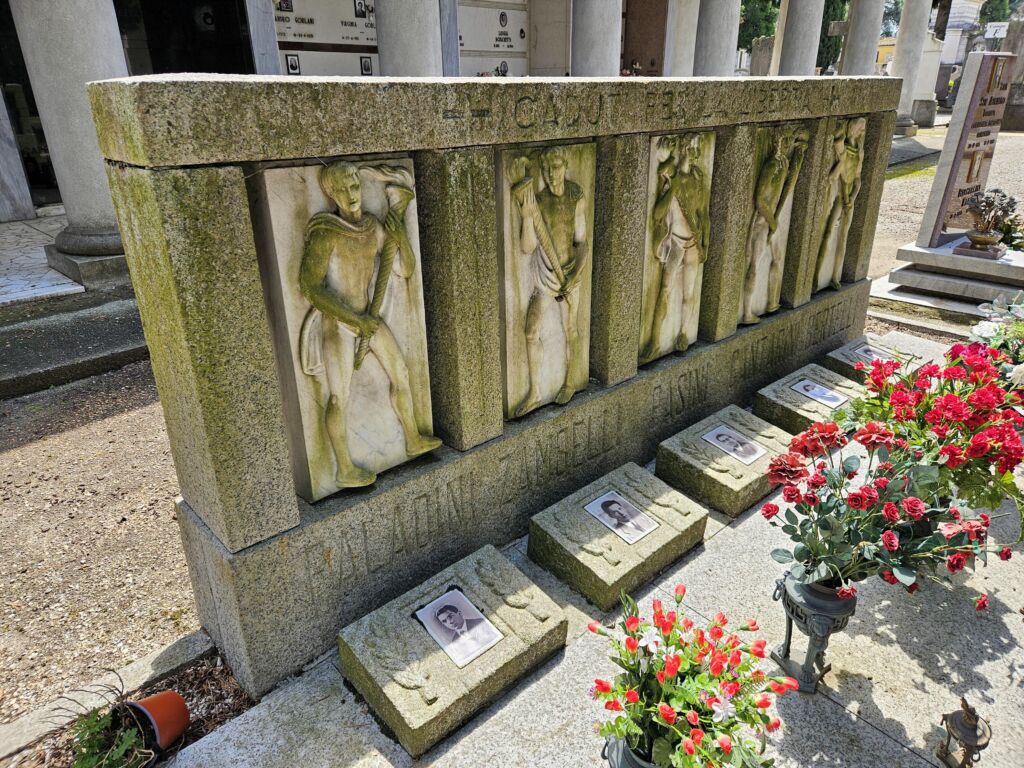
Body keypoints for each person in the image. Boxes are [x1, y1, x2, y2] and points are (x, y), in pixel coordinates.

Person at [299, 162, 441, 488]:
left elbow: (405, 268)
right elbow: (310, 287)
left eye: (354, 186)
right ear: (331, 193)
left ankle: (412, 438)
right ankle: (344, 468)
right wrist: (354, 320)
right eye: (342, 189)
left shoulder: (372, 227)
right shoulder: (325, 232)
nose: (351, 194)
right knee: (339, 396)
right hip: (338, 322)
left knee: (401, 373)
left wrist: (399, 234)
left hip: (369, 317)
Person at [511, 146, 589, 417]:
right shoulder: (539, 201)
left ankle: (570, 381)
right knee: (530, 331)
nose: (550, 173)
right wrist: (526, 215)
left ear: (565, 166)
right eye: (546, 169)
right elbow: (527, 247)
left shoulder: (576, 195)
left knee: (570, 328)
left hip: (570, 274)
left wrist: (574, 275)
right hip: (545, 276)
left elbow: (582, 243)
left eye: (555, 167)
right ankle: (534, 392)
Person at [643, 134, 708, 362]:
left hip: (693, 245)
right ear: (682, 149)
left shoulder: (698, 179)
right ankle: (655, 340)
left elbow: (703, 214)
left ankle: (683, 332)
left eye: (696, 150)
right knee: (665, 289)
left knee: (688, 294)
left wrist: (706, 242)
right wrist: (673, 187)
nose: (693, 154)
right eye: (690, 149)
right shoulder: (671, 179)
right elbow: (658, 214)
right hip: (676, 243)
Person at [740, 127, 808, 325]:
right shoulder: (772, 165)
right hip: (762, 223)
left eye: (789, 141)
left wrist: (800, 149)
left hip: (771, 223)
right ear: (776, 142)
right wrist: (772, 222)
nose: (787, 144)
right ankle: (746, 312)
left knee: (777, 259)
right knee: (754, 265)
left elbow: (790, 180)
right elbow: (761, 200)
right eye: (785, 140)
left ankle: (771, 302)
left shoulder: (783, 163)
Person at [434, 603, 501, 656]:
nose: (449, 622)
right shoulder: (454, 642)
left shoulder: (480, 622)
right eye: (444, 621)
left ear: (459, 613)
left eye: (450, 616)